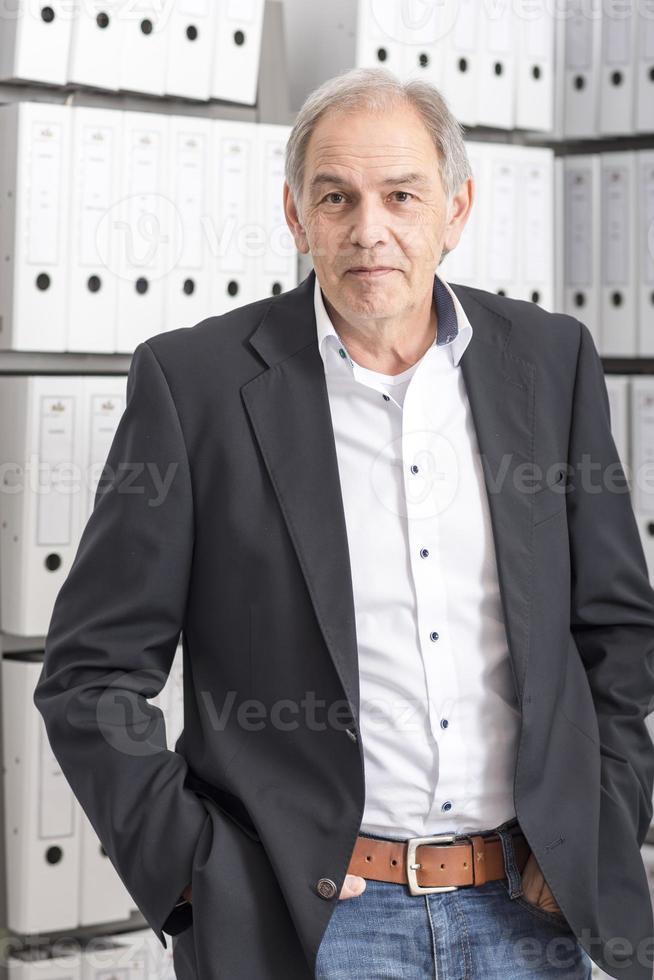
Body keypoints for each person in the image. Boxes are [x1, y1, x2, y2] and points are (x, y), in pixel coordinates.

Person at [34, 66, 654, 980]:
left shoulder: (551, 362)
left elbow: (616, 631)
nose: (371, 231)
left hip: (529, 913)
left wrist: (600, 822)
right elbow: (91, 676)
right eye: (337, 198)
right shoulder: (195, 385)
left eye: (402, 195)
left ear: (456, 209)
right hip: (312, 926)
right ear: (297, 217)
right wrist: (196, 873)